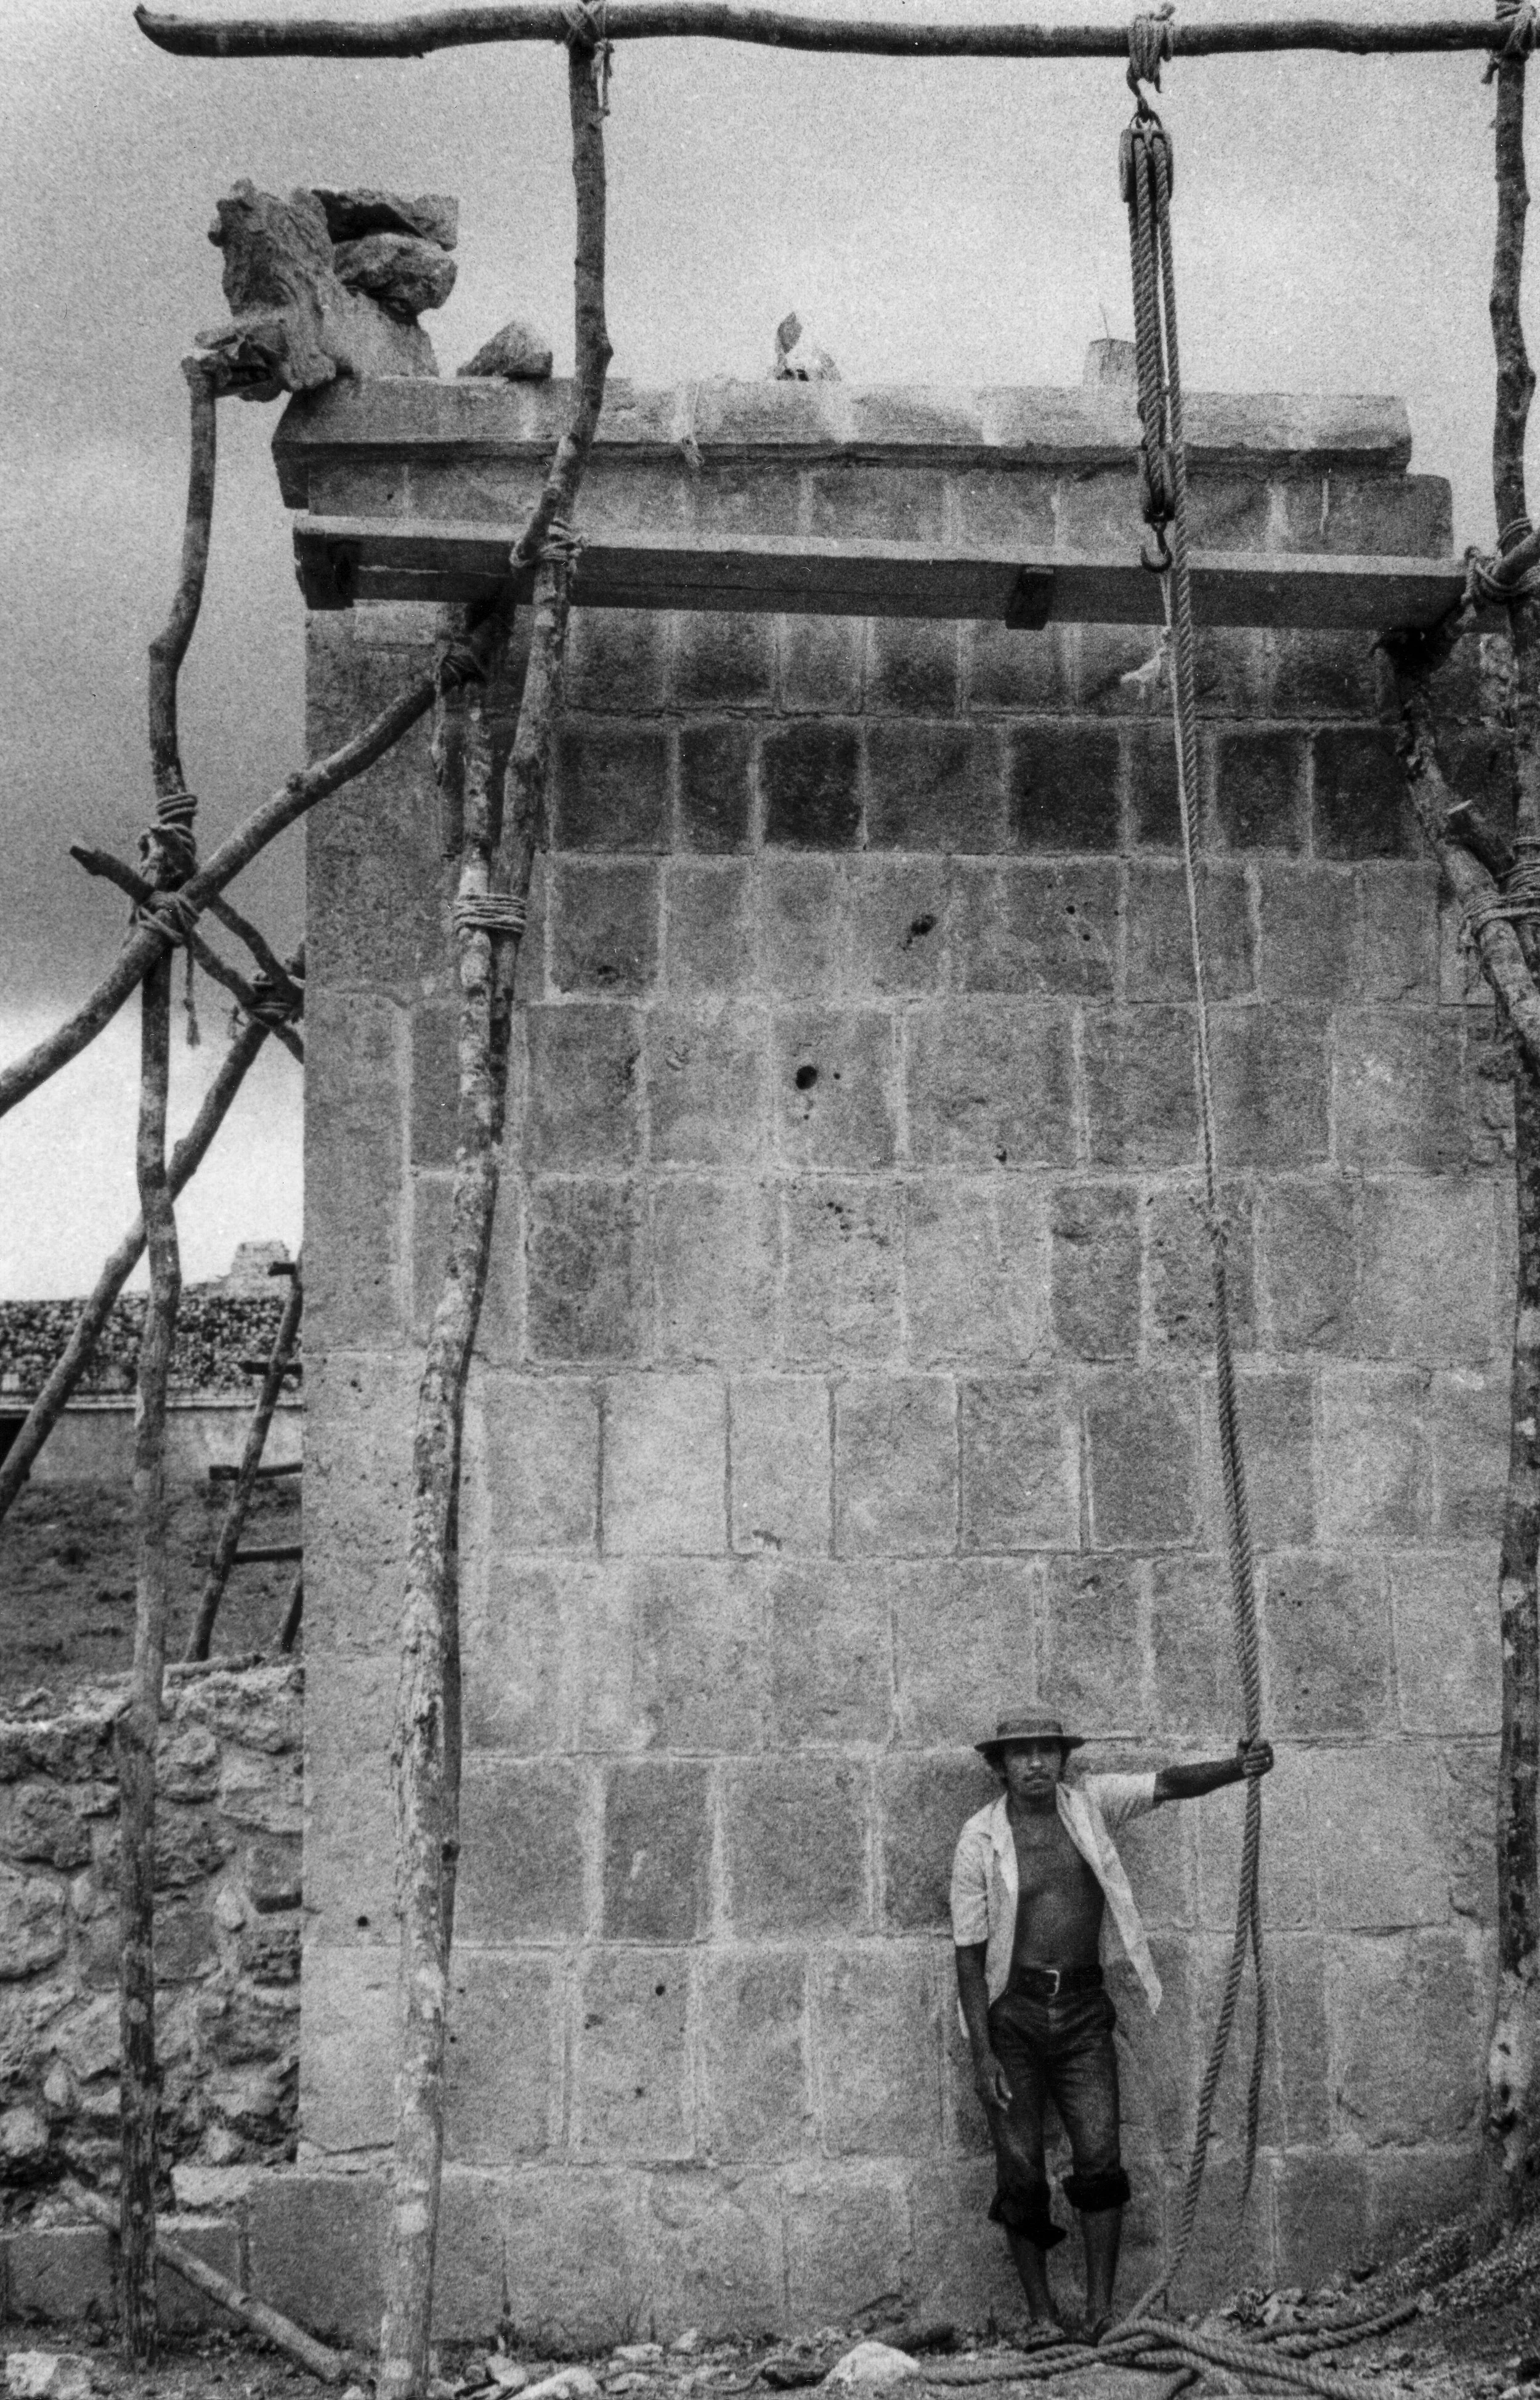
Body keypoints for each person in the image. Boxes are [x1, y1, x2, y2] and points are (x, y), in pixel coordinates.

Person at [950, 1709, 1273, 2343]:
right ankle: (1041, 2317)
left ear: (1063, 1759)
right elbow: (967, 1949)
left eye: (1046, 1750)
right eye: (1021, 1753)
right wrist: (981, 2053)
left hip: (1081, 2014)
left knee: (1100, 2159)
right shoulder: (978, 1838)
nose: (1036, 1763)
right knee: (1020, 2168)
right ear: (1000, 1765)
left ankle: (1101, 2311)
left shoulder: (1090, 1806)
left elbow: (1167, 1784)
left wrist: (1239, 1767)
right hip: (1011, 2018)